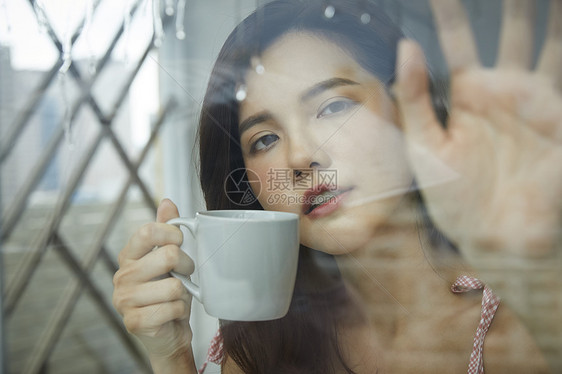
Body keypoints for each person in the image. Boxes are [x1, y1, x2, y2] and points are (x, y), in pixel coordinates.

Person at [112, 0, 562, 373]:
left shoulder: (525, 330)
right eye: (265, 139)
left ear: (407, 107)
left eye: (332, 106)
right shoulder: (262, 351)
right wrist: (170, 354)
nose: (300, 157)